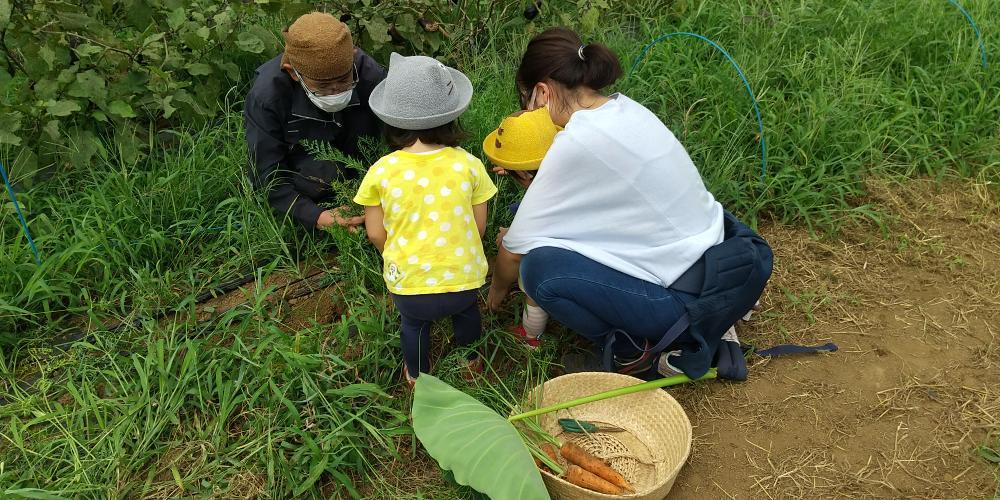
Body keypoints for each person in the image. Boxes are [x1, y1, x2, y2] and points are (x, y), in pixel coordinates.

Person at [486, 28, 772, 378]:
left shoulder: (575, 142)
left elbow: (513, 254)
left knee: (539, 272)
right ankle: (700, 322)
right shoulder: (625, 109)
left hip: (687, 301)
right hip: (725, 262)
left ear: (543, 93)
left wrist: (494, 298)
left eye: (527, 100)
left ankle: (632, 352)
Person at [353, 53, 498, 387]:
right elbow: (478, 228)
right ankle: (471, 360)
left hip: (410, 283)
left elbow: (375, 232)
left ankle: (418, 376)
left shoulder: (381, 171)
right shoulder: (470, 164)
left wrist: (402, 254)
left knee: (414, 326)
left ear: (392, 120)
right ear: (452, 117)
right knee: (467, 315)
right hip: (463, 279)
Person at [245, 12, 387, 232]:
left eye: (343, 81)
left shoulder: (369, 74)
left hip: (365, 165)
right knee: (316, 176)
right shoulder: (268, 96)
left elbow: (406, 136)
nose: (336, 91)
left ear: (353, 55)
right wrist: (317, 216)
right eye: (323, 86)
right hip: (308, 178)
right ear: (293, 74)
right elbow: (266, 173)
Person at [482, 108, 561, 348]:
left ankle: (530, 337)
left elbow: (510, 256)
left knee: (531, 269)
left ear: (526, 174)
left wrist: (497, 288)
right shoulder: (568, 166)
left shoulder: (537, 207)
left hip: (572, 262)